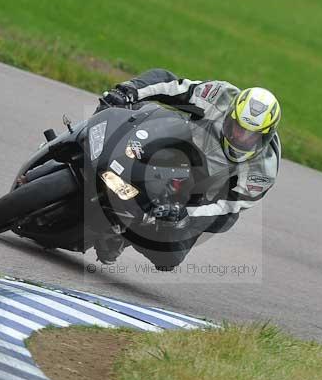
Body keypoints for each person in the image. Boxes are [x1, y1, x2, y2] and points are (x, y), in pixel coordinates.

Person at [93, 68, 282, 269]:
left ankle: (124, 237)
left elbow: (225, 208)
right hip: (177, 147)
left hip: (203, 195)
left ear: (264, 136)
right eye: (237, 127)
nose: (239, 137)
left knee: (170, 257)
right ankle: (83, 140)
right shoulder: (220, 96)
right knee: (127, 108)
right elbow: (172, 85)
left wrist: (184, 213)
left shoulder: (263, 170)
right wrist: (130, 91)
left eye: (249, 135)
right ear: (230, 115)